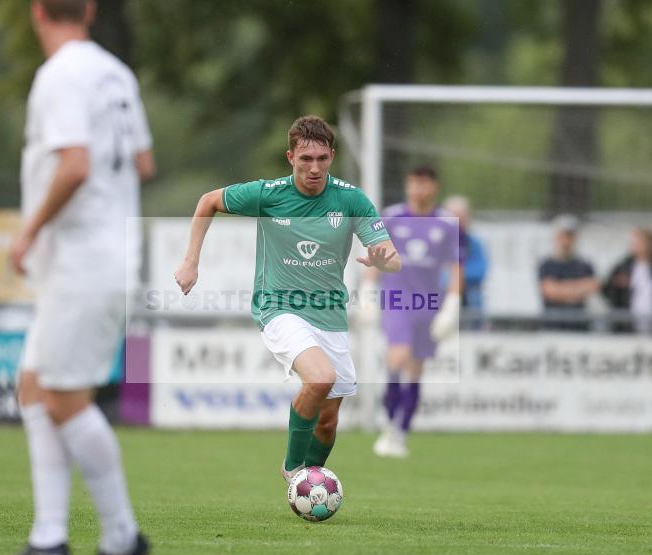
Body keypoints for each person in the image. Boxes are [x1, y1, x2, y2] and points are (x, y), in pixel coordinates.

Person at [0, 0, 156, 555]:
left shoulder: (59, 74)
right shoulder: (115, 71)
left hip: (83, 262)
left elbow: (75, 165)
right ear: (87, 9)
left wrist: (30, 227)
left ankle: (121, 539)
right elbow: (143, 160)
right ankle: (48, 539)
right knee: (34, 386)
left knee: (62, 397)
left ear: (38, 12)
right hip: (107, 255)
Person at [174, 115, 401, 484]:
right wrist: (190, 261)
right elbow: (208, 201)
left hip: (329, 315)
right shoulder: (269, 194)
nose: (314, 168)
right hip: (278, 307)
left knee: (327, 423)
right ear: (290, 158)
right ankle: (295, 471)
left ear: (332, 157)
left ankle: (311, 482)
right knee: (320, 378)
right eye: (305, 159)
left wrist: (384, 258)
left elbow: (392, 257)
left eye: (322, 159)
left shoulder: (350, 199)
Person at [370, 167, 462, 459]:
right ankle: (388, 411)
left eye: (424, 184)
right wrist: (368, 292)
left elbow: (455, 267)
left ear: (434, 187)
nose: (418, 189)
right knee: (398, 354)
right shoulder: (393, 217)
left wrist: (452, 305)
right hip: (397, 297)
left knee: (417, 368)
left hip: (429, 302)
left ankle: (401, 430)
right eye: (413, 183)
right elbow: (377, 255)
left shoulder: (447, 223)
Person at [601, 227, 652, 334]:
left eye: (638, 242)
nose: (634, 245)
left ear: (649, 244)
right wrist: (616, 285)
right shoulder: (623, 266)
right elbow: (607, 292)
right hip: (628, 320)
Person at [537, 214, 598, 331]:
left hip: (579, 327)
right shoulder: (546, 265)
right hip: (553, 327)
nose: (566, 241)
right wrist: (576, 290)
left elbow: (592, 287)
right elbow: (549, 291)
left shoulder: (585, 266)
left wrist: (561, 289)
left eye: (569, 236)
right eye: (562, 236)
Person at [443, 195, 487, 316]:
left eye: (460, 217)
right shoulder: (436, 243)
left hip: (467, 294)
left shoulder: (474, 244)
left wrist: (455, 277)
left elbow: (480, 270)